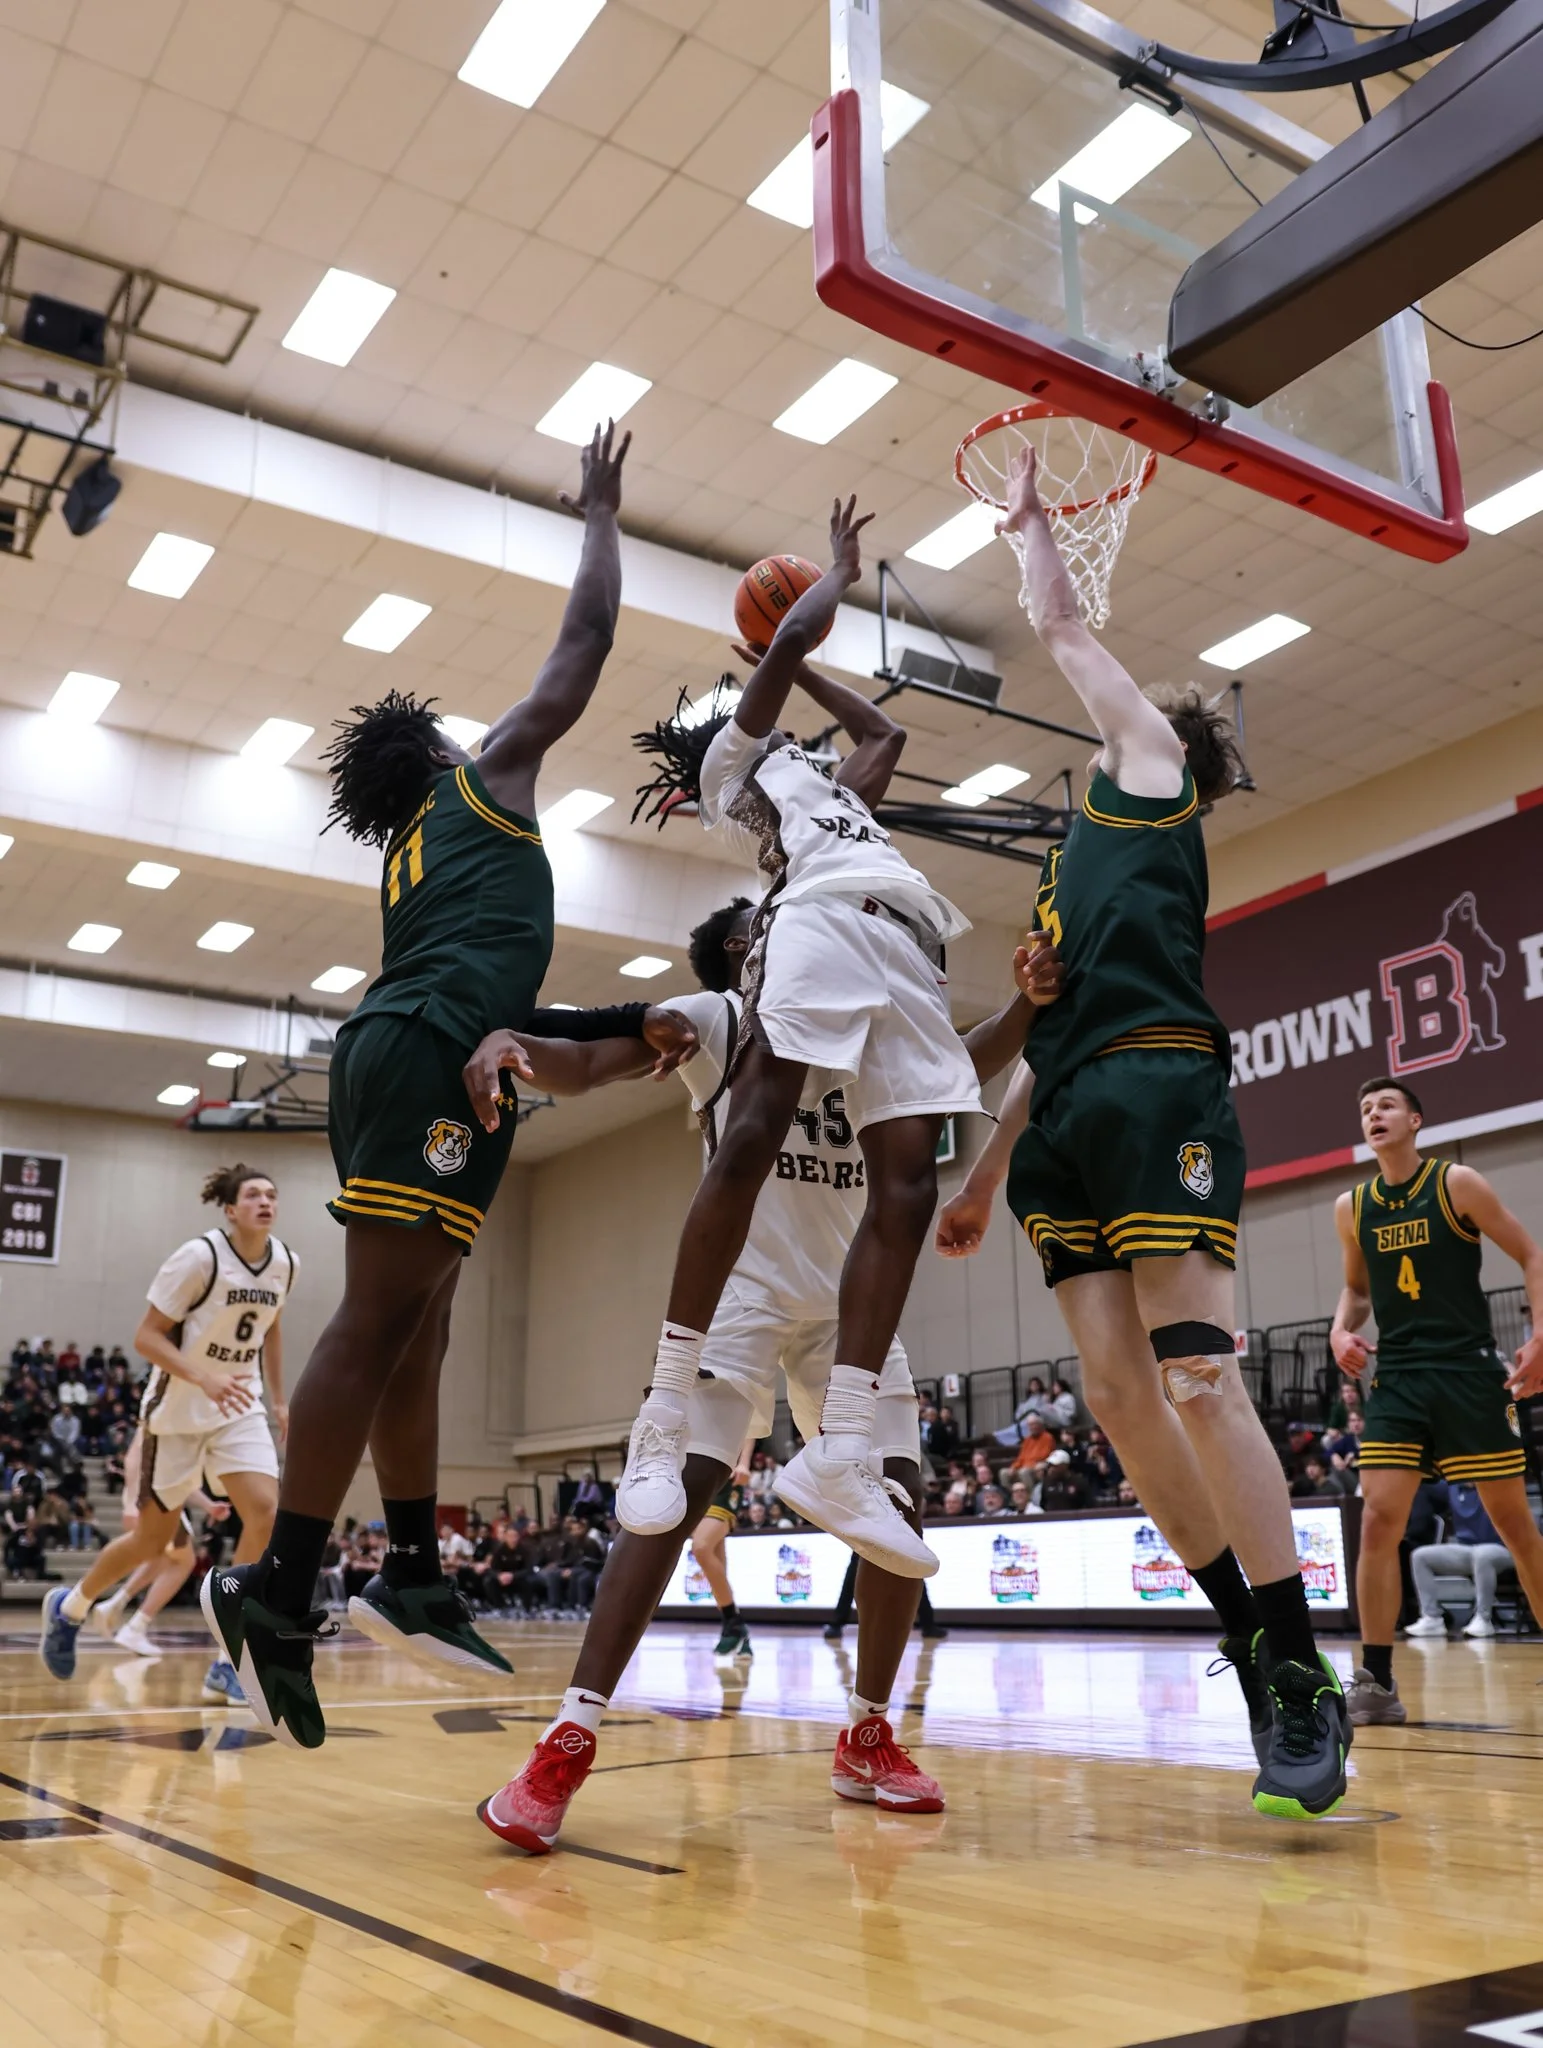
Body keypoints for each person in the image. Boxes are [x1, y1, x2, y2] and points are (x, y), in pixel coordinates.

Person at [198, 425, 652, 1748]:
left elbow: (501, 1000)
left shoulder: (417, 851)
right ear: (444, 750)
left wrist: (627, 1026)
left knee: (423, 1318)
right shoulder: (483, 786)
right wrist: (600, 515)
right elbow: (585, 645)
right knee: (375, 1315)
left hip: (408, 1049)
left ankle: (408, 1567)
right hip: (417, 1058)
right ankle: (276, 1585)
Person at [933, 443, 1349, 1823]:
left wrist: (1030, 530)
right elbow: (1039, 1044)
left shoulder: (1154, 771)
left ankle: (1298, 1667)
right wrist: (982, 1173)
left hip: (1160, 1090)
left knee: (1198, 1380)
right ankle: (1246, 1642)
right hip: (1063, 1117)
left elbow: (1062, 628)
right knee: (1116, 1397)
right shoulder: (1068, 869)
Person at [468, 895, 1046, 1852]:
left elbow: (963, 1057)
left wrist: (1026, 1004)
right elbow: (593, 1059)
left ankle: (867, 1735)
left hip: (848, 1308)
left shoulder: (871, 1023)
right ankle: (566, 1737)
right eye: (767, 925)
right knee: (669, 1504)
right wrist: (517, 1045)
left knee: (896, 1510)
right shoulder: (722, 1018)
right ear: (746, 951)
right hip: (739, 1297)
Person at [616, 495, 985, 1577]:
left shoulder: (831, 791)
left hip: (905, 935)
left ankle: (842, 1452)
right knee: (755, 1127)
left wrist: (810, 667)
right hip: (817, 920)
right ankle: (665, 1400)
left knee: (907, 1184)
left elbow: (886, 735)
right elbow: (778, 648)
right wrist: (831, 581)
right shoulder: (735, 780)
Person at [1329, 1076, 1543, 1724]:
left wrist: (1539, 1337)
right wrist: (1339, 1329)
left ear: (1415, 1120)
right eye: (1365, 1109)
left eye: (1386, 1106)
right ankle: (1375, 1682)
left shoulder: (1456, 1184)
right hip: (1398, 1378)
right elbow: (1357, 1291)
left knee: (1513, 1524)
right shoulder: (1352, 1207)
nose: (1374, 1115)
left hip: (1467, 1372)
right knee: (1376, 1522)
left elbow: (1530, 1255)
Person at [39, 1164, 293, 1705]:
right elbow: (146, 1337)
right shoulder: (199, 1258)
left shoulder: (284, 1263)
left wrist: (278, 1399)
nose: (265, 1202)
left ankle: (228, 1659)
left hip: (238, 1404)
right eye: (253, 1194)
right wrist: (203, 1377)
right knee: (152, 1542)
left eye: (272, 1195)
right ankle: (71, 1607)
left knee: (266, 1513)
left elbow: (271, 1328)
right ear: (231, 1208)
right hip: (176, 1409)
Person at [1406, 1480, 1521, 1639]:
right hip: (1467, 1549)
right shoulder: (1453, 1486)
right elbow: (1423, 1483)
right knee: (1420, 1556)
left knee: (1482, 1554)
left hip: (1504, 1548)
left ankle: (1483, 1618)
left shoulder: (1497, 1485)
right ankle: (1432, 1617)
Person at [688, 1435, 756, 1658]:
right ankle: (738, 1631)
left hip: (726, 1475)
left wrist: (744, 1462)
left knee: (701, 1547)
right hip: (697, 1476)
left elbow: (753, 1423)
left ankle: (733, 1623)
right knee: (716, 1571)